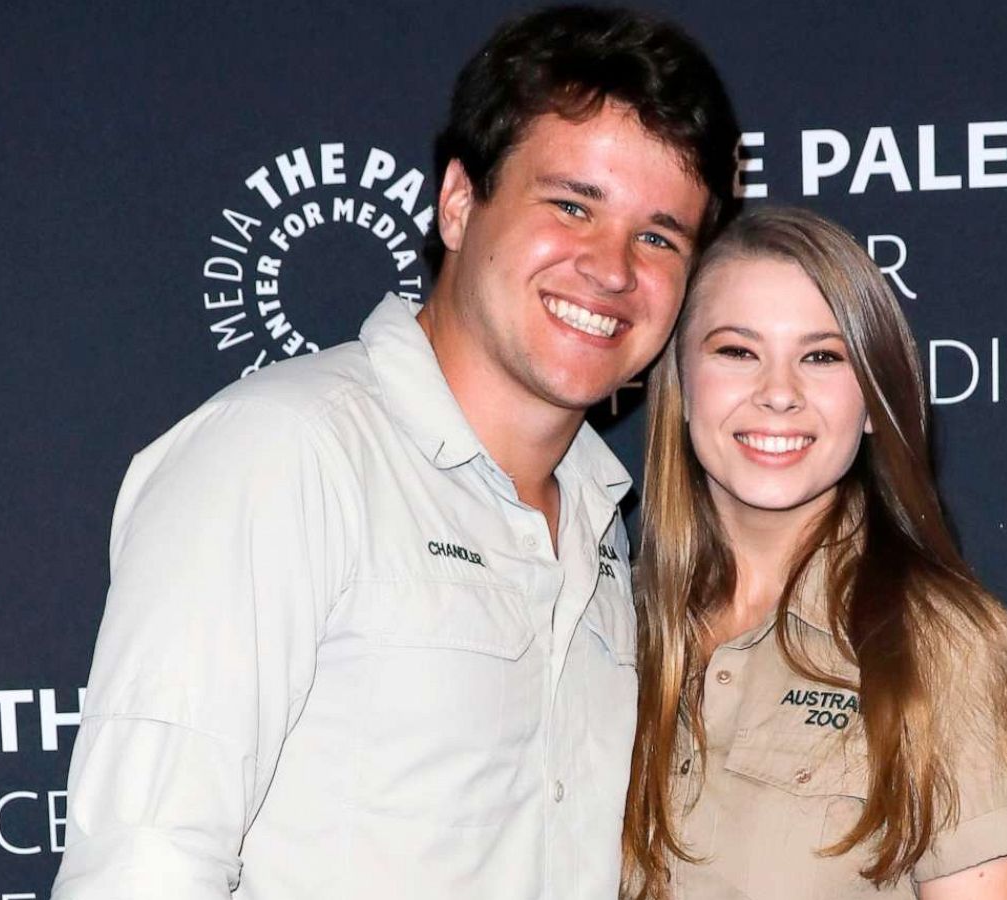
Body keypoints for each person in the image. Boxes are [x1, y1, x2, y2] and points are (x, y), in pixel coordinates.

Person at [50, 7, 739, 900]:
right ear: (459, 203)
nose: (611, 269)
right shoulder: (285, 455)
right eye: (571, 205)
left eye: (657, 236)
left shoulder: (605, 533)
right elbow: (144, 866)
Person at [621, 207, 1007, 899]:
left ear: (874, 398)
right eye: (737, 351)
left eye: (822, 356)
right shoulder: (599, 622)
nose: (778, 393)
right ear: (681, 387)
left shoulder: (947, 649)